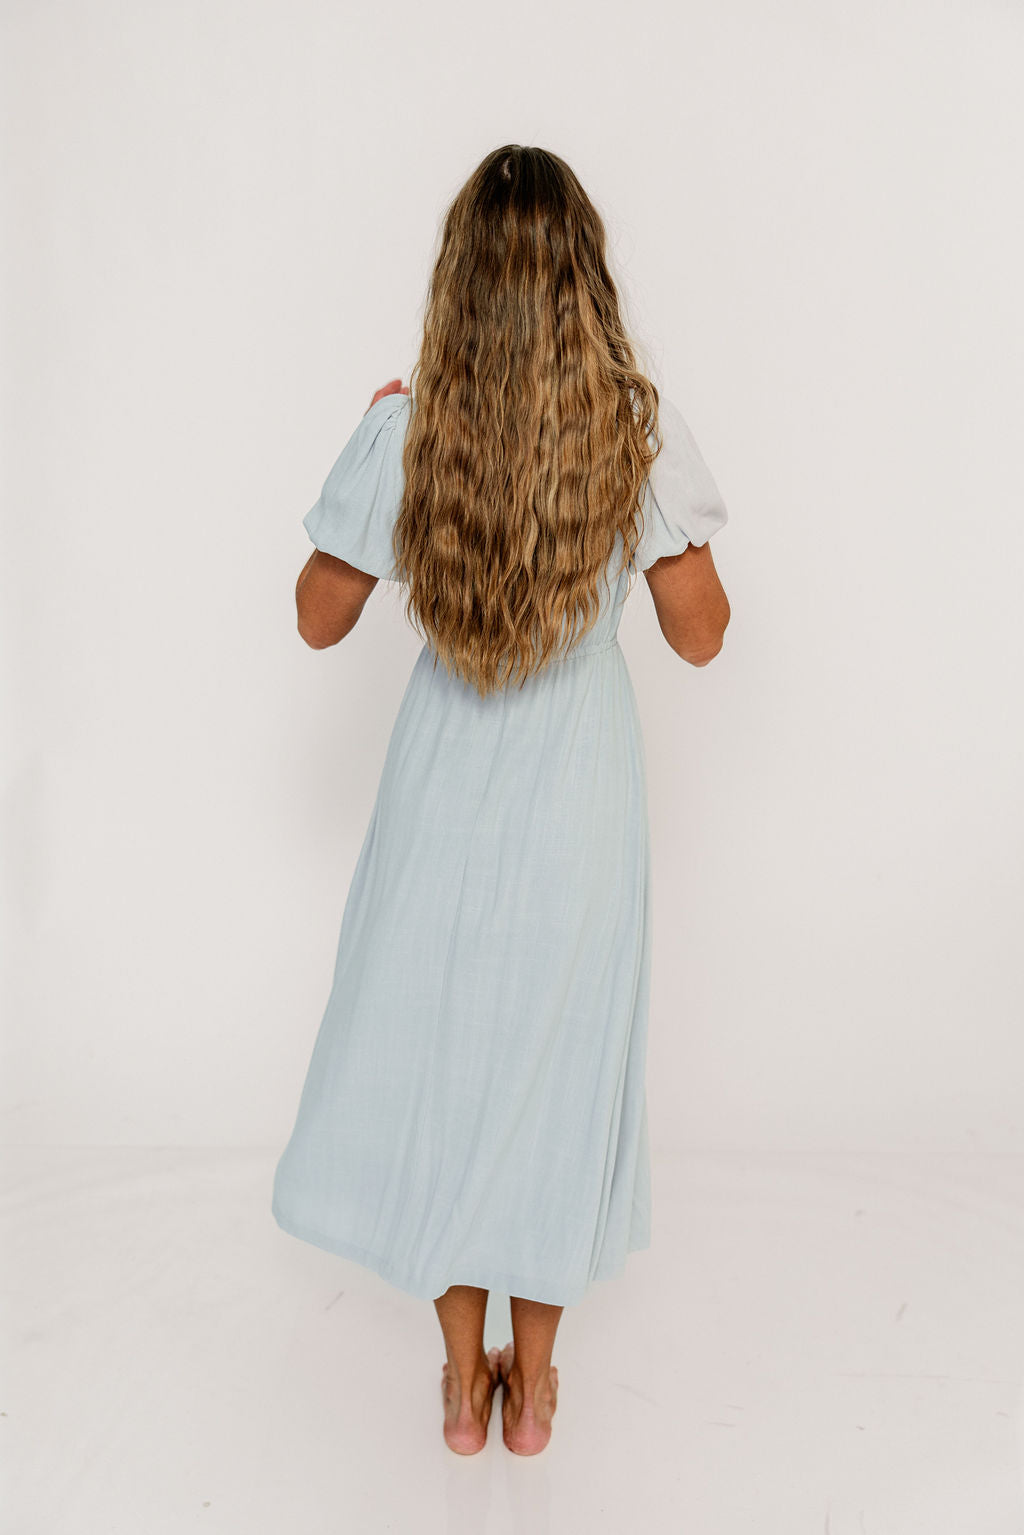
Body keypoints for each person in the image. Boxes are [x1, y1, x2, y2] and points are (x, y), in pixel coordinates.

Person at [271, 143, 732, 1457]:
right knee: (553, 1067)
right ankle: (532, 1388)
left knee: (446, 1061)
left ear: (459, 282)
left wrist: (372, 453)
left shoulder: (411, 426)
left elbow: (317, 618)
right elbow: (701, 636)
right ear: (587, 276)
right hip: (579, 790)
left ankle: (459, 1383)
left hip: (445, 785)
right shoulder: (637, 429)